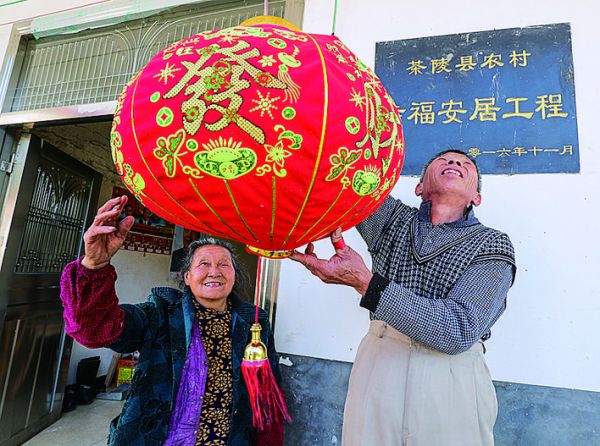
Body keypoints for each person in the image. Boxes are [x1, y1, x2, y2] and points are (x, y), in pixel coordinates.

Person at [291, 150, 516, 446]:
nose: (454, 163)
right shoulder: (393, 219)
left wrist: (366, 283)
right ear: (419, 187)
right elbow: (348, 178)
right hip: (380, 362)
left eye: (466, 164)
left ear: (477, 197)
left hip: (450, 375)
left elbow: (458, 330)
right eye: (443, 160)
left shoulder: (493, 242)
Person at [60, 195, 285, 445]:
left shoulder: (253, 321)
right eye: (204, 264)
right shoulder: (160, 312)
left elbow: (267, 393)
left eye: (224, 264)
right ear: (187, 276)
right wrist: (94, 265)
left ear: (234, 275)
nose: (214, 271)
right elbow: (94, 330)